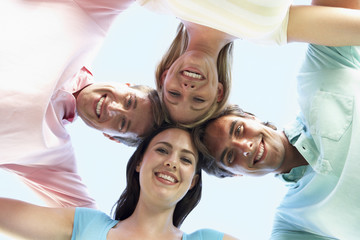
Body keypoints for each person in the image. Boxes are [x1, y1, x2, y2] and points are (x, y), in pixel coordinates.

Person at [194, 1, 360, 238]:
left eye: (239, 130)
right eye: (230, 157)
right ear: (236, 175)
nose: (245, 146)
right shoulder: (293, 223)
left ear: (252, 118)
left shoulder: (317, 75)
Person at [0, 0, 164, 209]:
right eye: (129, 101)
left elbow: (87, 223)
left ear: (111, 137)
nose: (113, 108)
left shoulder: (50, 157)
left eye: (123, 124)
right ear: (127, 85)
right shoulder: (89, 18)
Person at [137, 0, 360, 127]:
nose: (187, 89)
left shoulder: (154, 2)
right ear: (218, 93)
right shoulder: (269, 32)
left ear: (165, 76)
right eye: (198, 99)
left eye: (174, 94)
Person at [0, 125, 239, 240]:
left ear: (193, 182)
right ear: (138, 163)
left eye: (186, 159)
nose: (172, 162)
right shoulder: (87, 227)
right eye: (162, 150)